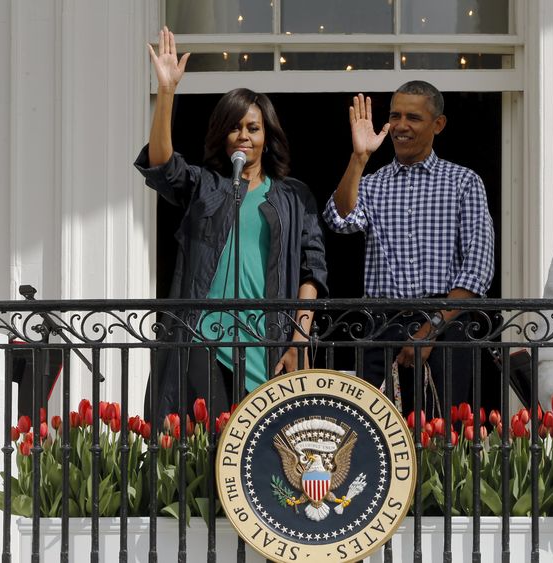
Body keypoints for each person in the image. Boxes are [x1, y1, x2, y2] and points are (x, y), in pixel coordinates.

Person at [135, 27, 328, 421]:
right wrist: (167, 92)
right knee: (210, 440)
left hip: (268, 341)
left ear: (267, 136)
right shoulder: (207, 187)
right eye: (234, 127)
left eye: (252, 128)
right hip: (203, 337)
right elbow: (161, 166)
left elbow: (313, 272)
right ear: (223, 136)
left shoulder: (292, 196)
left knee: (258, 450)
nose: (243, 136)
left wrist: (298, 338)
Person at [322, 81, 494, 416]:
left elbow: (477, 269)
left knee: (443, 437)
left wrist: (428, 331)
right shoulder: (372, 183)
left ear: (438, 124)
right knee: (379, 436)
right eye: (395, 115)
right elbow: (339, 219)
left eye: (413, 117)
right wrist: (360, 158)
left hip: (446, 326)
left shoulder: (463, 182)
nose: (401, 125)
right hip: (382, 325)